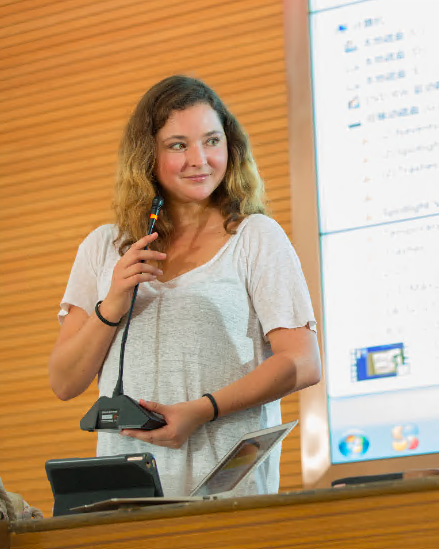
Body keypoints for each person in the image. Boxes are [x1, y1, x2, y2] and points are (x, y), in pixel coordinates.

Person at [49, 75, 321, 497]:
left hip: (226, 505)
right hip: (124, 506)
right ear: (147, 156)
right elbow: (65, 382)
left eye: (212, 141)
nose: (200, 159)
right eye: (178, 145)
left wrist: (202, 411)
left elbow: (303, 363)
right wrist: (112, 304)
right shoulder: (103, 247)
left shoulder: (255, 237)